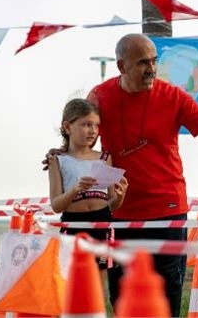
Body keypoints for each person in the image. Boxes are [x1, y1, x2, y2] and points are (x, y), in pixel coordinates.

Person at [45, 33, 198, 317]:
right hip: (118, 214)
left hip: (167, 211)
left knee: (166, 297)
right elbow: (83, 134)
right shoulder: (100, 96)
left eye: (153, 61)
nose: (151, 69)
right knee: (123, 297)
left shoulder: (173, 96)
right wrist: (61, 153)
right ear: (121, 66)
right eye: (141, 63)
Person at [47, 98, 128, 300]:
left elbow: (112, 205)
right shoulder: (57, 160)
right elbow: (56, 205)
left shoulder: (104, 158)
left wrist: (120, 196)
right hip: (73, 225)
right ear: (67, 127)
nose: (92, 131)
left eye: (96, 125)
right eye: (85, 124)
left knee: (97, 288)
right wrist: (76, 189)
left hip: (102, 224)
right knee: (70, 284)